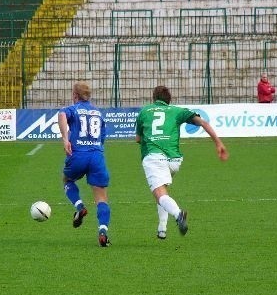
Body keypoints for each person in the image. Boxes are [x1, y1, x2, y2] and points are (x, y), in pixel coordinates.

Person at [135, 85, 229, 239]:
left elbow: (138, 139)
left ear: (154, 99)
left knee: (159, 193)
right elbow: (204, 123)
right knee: (162, 191)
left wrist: (151, 139)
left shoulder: (144, 112)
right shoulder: (177, 111)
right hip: (175, 160)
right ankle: (162, 229)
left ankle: (179, 214)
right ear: (169, 100)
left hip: (154, 156)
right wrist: (219, 143)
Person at [58, 81, 112, 247]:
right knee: (101, 197)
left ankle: (80, 206)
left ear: (75, 95)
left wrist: (66, 139)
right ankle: (103, 230)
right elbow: (102, 138)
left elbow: (61, 114)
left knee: (67, 180)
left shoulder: (73, 109)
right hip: (97, 156)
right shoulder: (98, 113)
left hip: (78, 155)